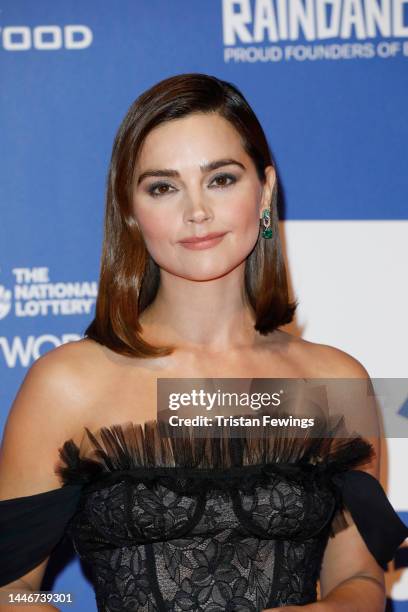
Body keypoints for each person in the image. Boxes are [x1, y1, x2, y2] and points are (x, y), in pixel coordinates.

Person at [0, 73, 406, 612]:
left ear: (264, 191)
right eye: (163, 187)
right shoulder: (69, 384)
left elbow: (358, 578)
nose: (197, 211)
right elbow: (14, 590)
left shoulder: (334, 384)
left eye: (220, 179)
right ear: (130, 210)